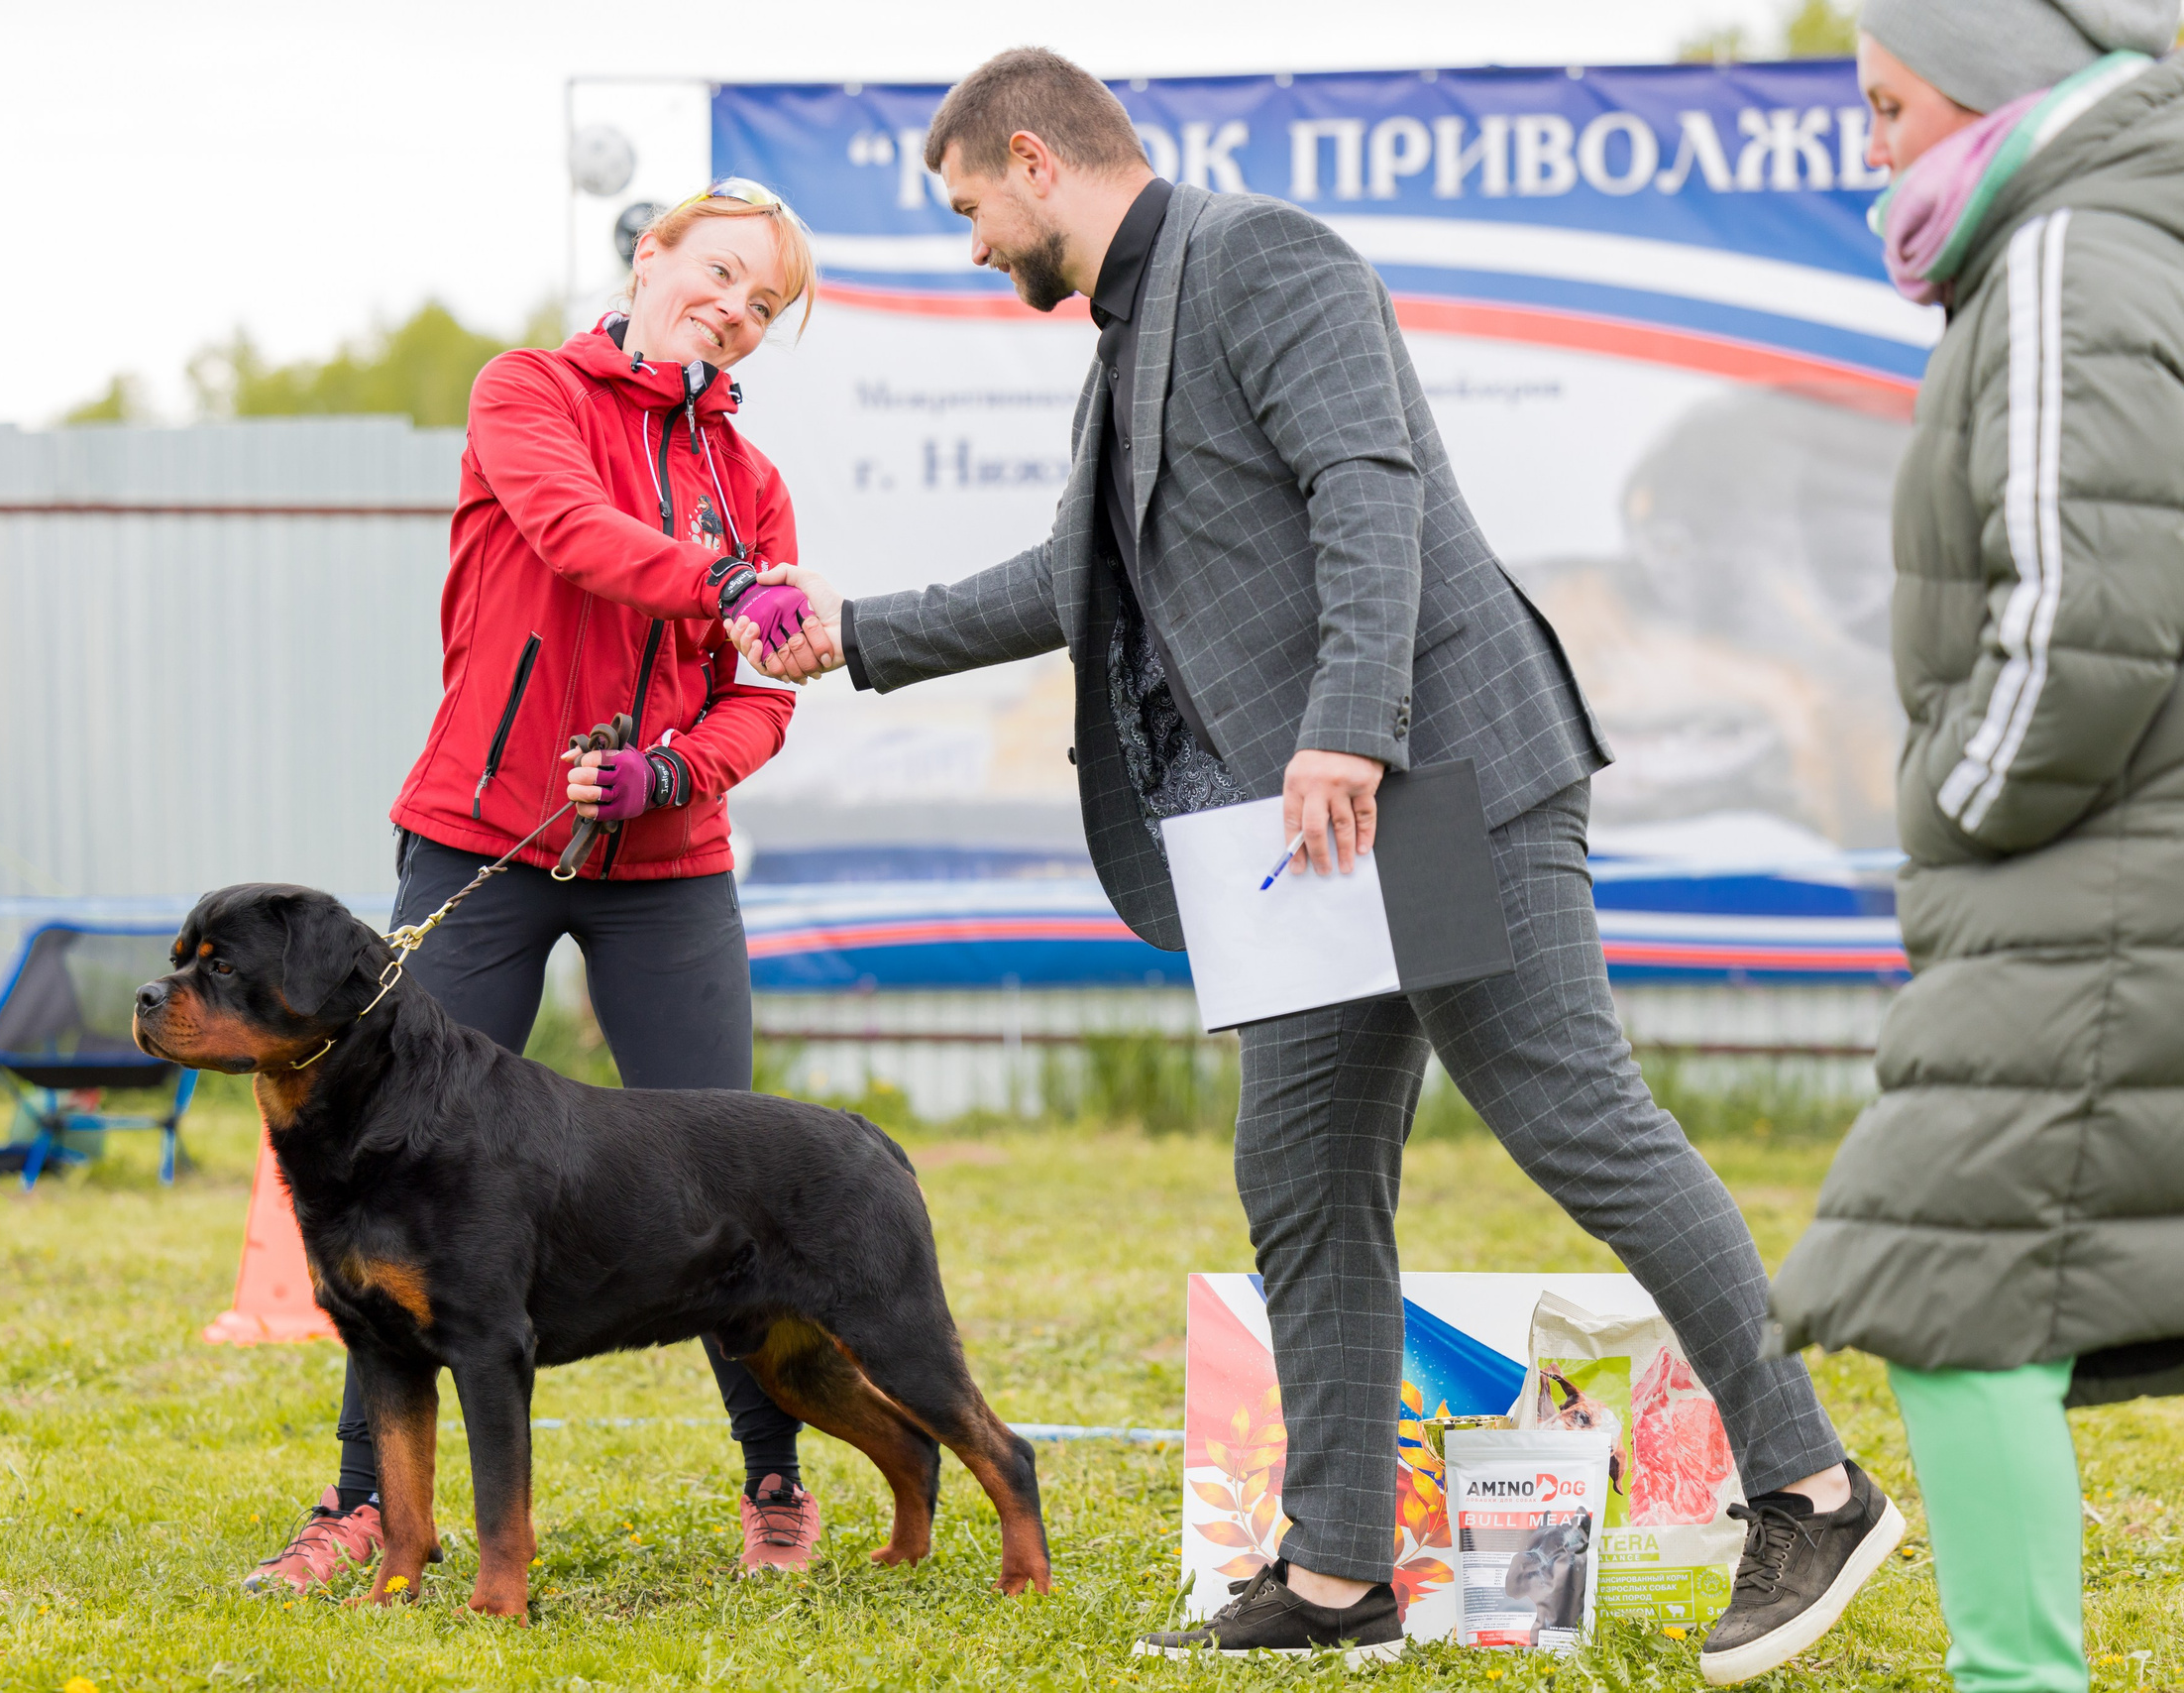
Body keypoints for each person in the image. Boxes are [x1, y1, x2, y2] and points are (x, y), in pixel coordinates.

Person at [739, 48, 1897, 1678]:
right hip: (1312, 843)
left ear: (1034, 157)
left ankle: (1812, 1483)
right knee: (1299, 1177)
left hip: (1433, 781)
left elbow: (1375, 488)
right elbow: (1075, 583)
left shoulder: (1269, 258)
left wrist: (1347, 726)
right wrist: (852, 637)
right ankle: (1343, 1575)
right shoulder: (1127, 342)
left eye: (970, 210)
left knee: (1579, 1119)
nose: (973, 245)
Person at [244, 178, 827, 1593]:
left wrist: (672, 775)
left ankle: (774, 1488)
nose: (736, 315)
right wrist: (726, 582)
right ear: (652, 254)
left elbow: (764, 701)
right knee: (390, 1182)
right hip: (478, 843)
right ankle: (360, 1509)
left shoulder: (751, 481)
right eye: (724, 277)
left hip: (666, 868)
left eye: (765, 308)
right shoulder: (525, 395)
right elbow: (575, 536)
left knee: (730, 1184)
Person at [1769, 7, 2184, 1691]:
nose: (1870, 139)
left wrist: (1954, 800)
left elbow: (2093, 602)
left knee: (1946, 1283)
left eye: (1887, 97)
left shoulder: (2072, 245)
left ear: (1997, 79)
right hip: (2108, 869)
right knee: (1990, 1283)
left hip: (2085, 872)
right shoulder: (2100, 230)